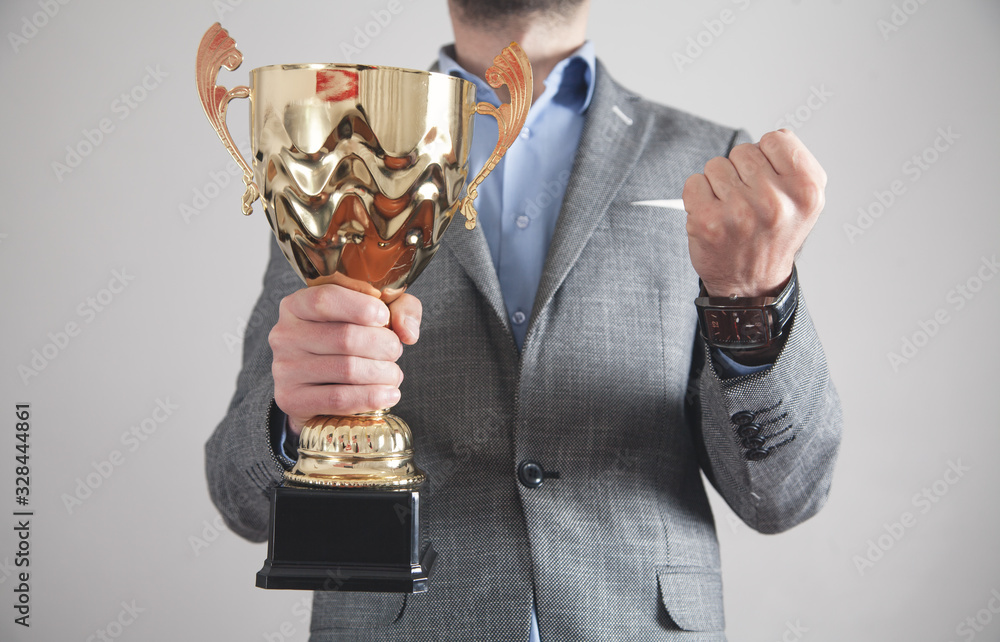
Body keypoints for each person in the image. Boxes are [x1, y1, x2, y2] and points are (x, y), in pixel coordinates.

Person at [205, 0, 843, 639]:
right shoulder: (331, 161)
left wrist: (752, 301)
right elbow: (241, 499)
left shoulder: (715, 166)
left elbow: (781, 495)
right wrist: (293, 418)